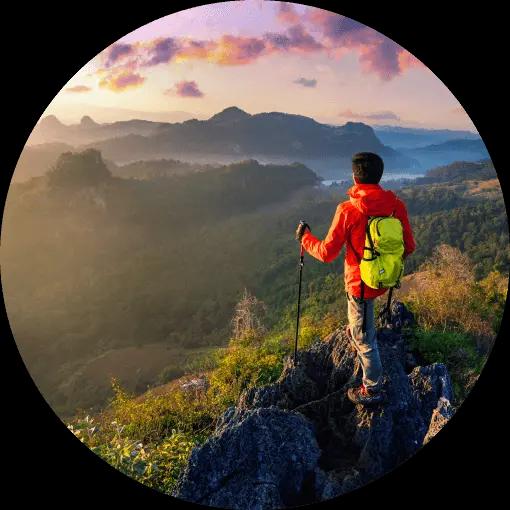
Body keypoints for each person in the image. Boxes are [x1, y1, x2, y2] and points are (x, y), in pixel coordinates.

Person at [295, 152, 415, 405]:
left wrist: (305, 239)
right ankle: (361, 336)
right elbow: (409, 246)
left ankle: (372, 389)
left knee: (364, 337)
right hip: (383, 280)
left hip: (359, 285)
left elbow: (327, 253)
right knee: (363, 323)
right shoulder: (396, 206)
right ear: (380, 176)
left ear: (354, 176)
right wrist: (384, 262)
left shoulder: (347, 210)